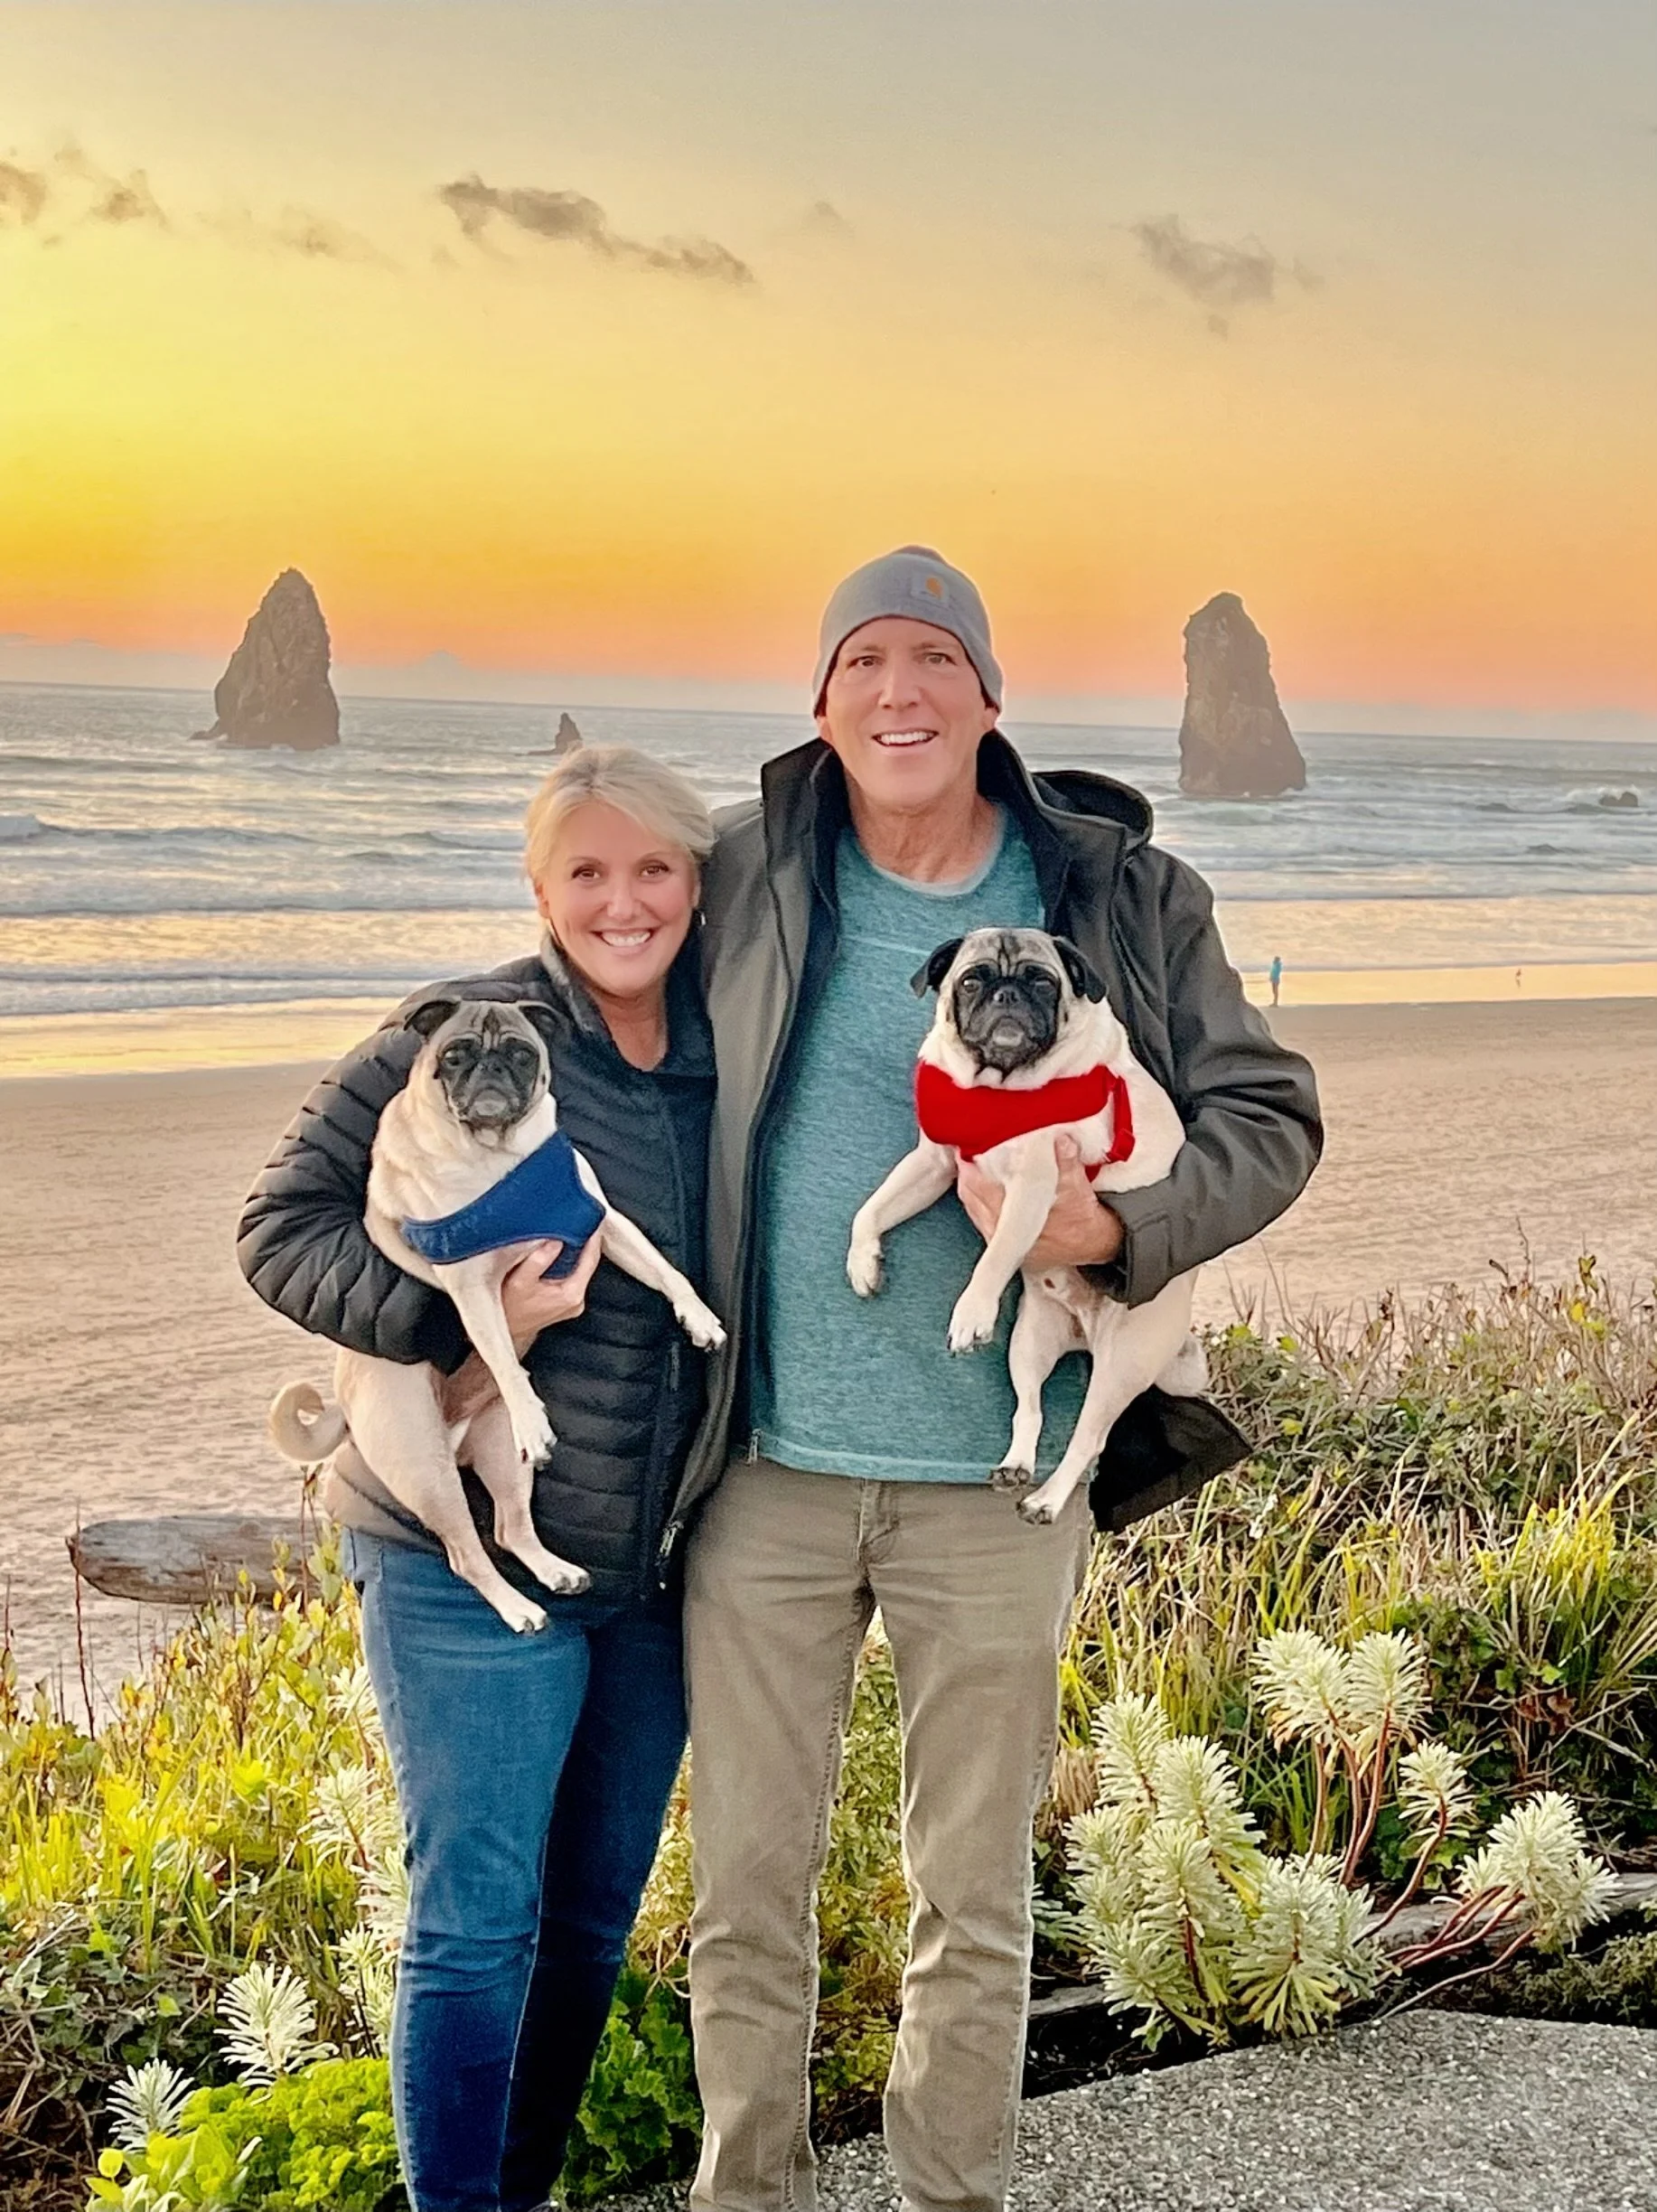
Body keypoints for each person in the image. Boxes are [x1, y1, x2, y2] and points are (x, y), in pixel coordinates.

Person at [675, 548, 1323, 2212]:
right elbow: (580, 978)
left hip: (993, 1484)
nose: (901, 691)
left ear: (986, 695)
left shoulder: (1115, 891)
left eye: (935, 660)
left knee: (970, 1897)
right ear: (818, 703)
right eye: (866, 662)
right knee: (746, 1887)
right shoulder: (739, 877)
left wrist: (1122, 1224)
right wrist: (378, 1168)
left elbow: (1267, 1114)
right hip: (762, 1472)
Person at [237, 745, 720, 2212]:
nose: (621, 902)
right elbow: (280, 1228)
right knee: (474, 1929)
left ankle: (519, 2190)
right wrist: (461, 1325)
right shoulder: (450, 1034)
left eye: (655, 869)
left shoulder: (727, 1054)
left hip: (653, 1568)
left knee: (586, 1927)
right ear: (539, 886)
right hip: (455, 1560)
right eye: (586, 870)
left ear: (699, 886)